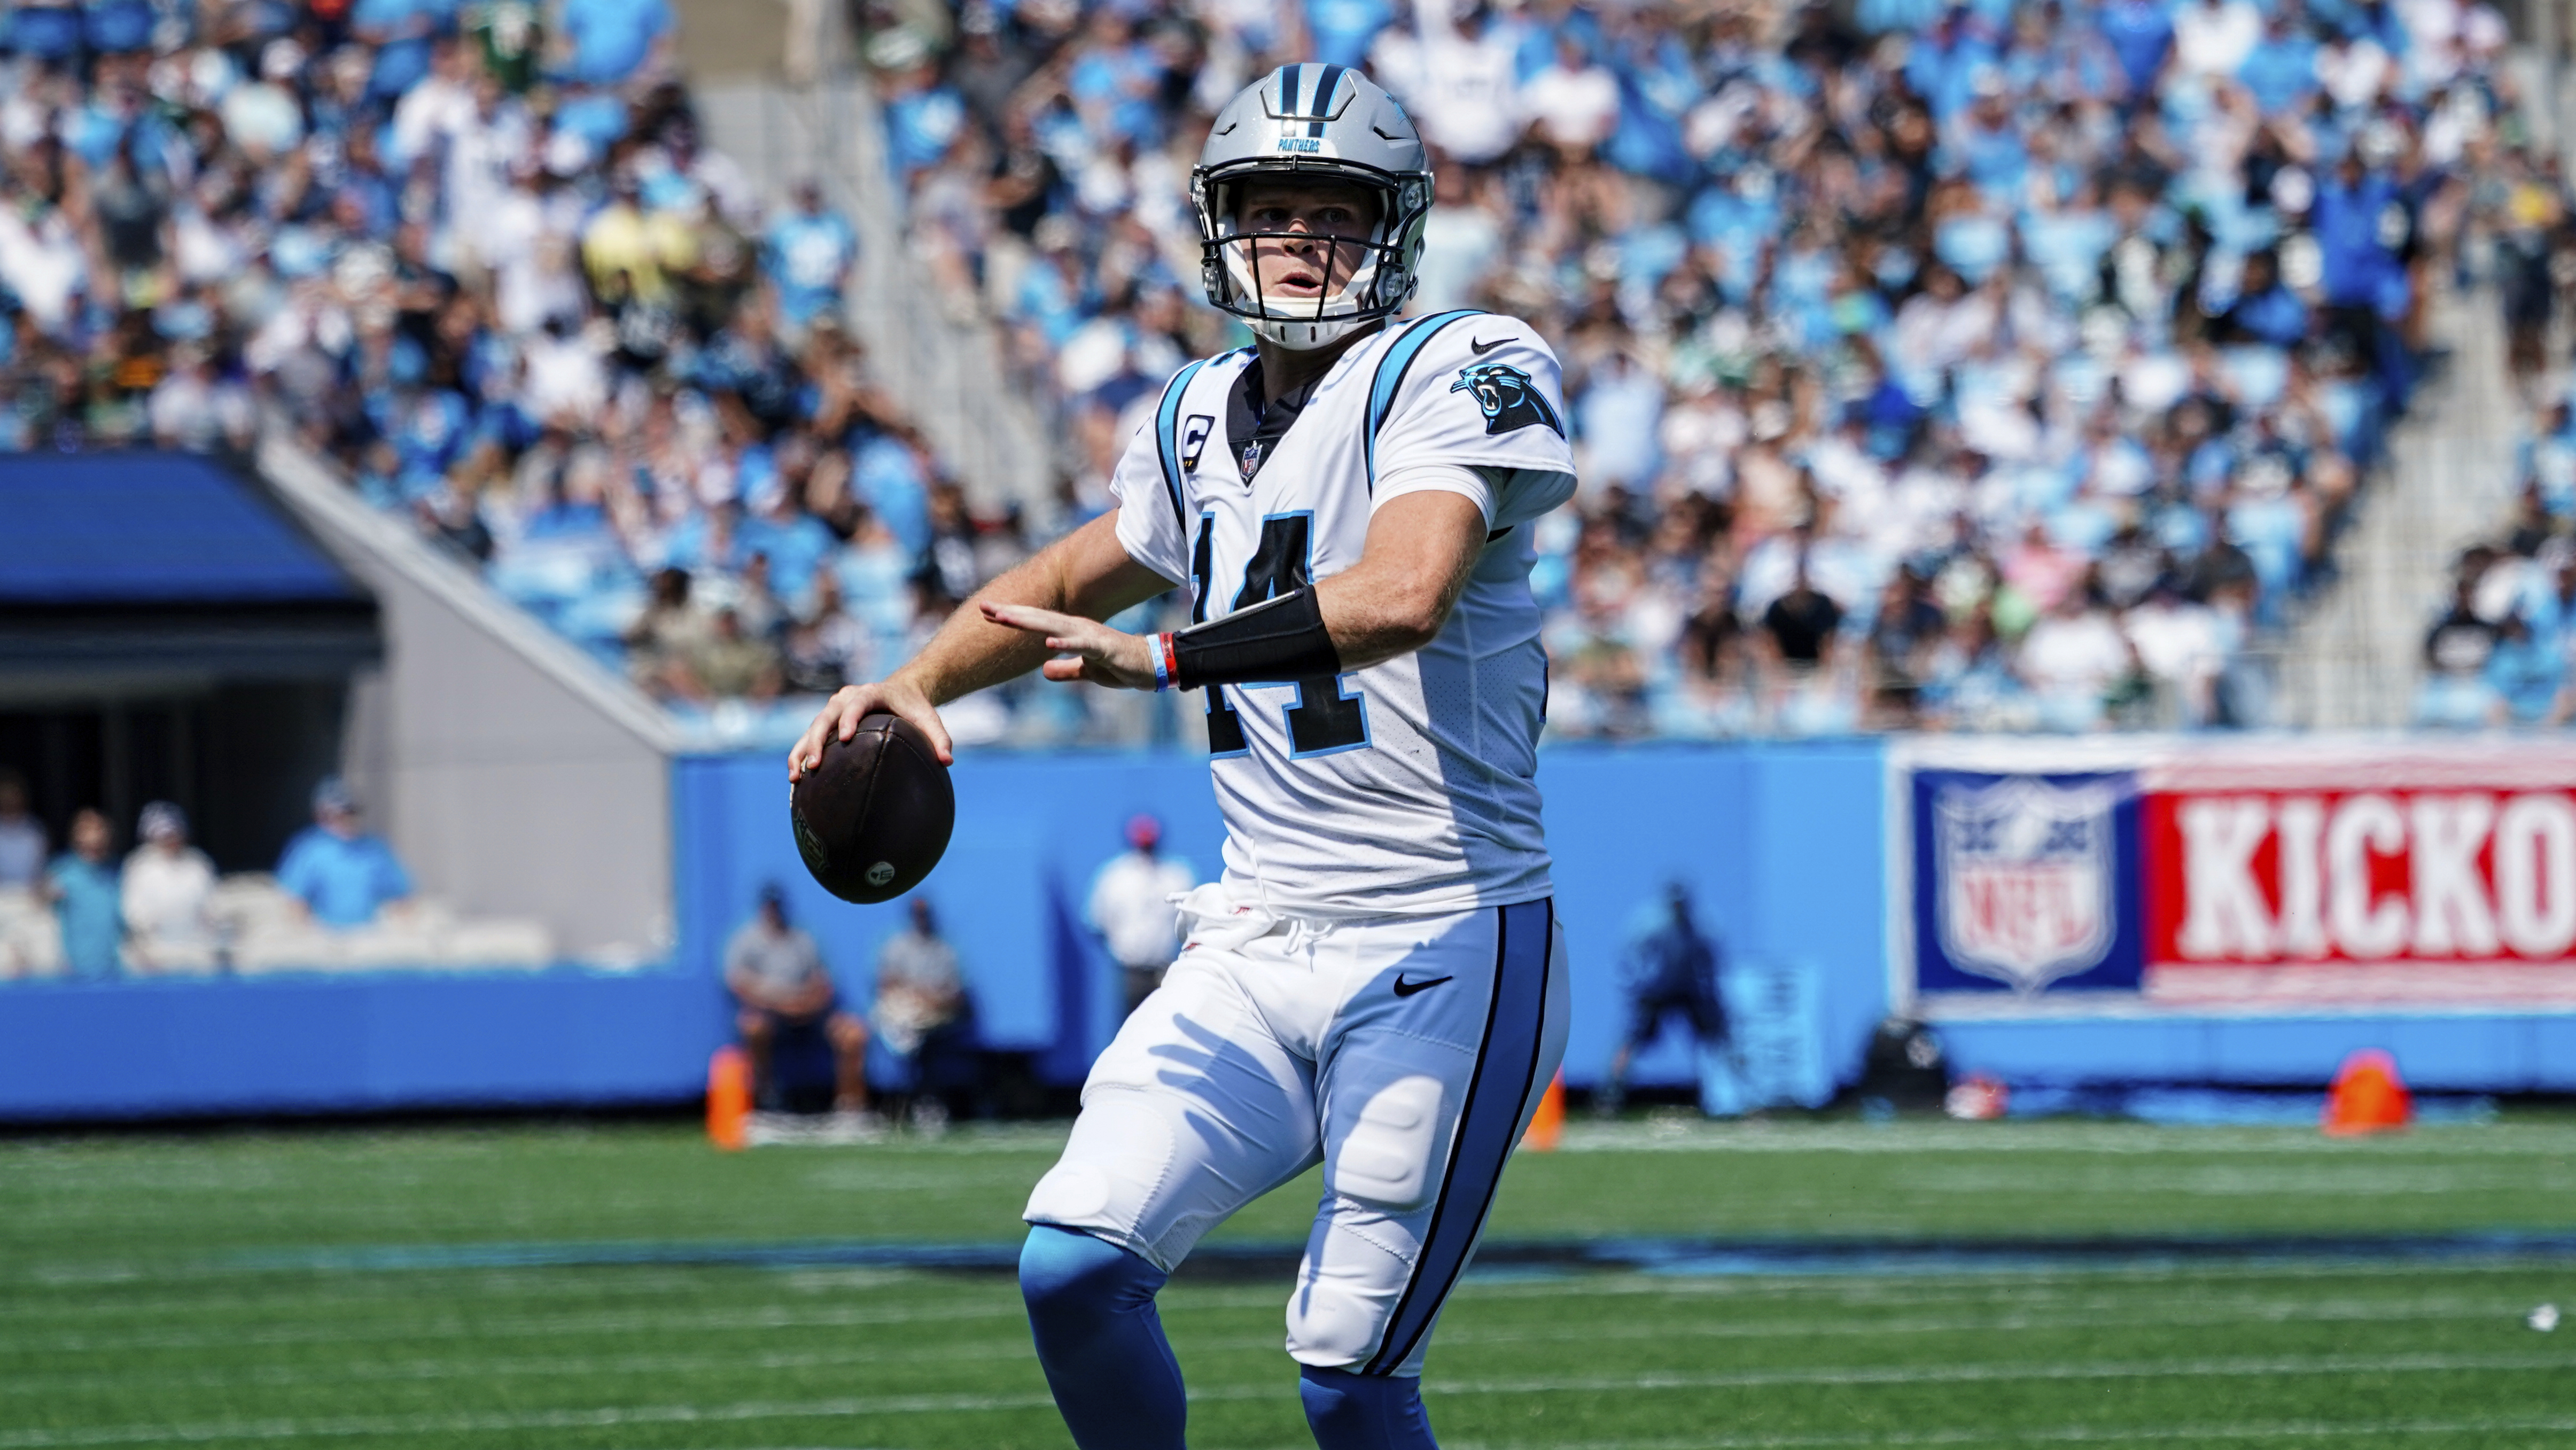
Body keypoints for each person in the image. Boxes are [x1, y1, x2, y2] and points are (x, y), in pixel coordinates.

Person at [790, 65, 1574, 1450]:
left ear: (1389, 229)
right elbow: (1076, 575)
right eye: (1268, 210)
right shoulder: (1195, 408)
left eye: (1330, 212)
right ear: (1219, 226)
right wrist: (910, 680)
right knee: (1074, 1263)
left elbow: (1403, 593)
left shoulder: (1455, 364)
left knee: (1345, 1365)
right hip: (1255, 935)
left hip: (1443, 941)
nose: (1297, 239)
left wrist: (1167, 659)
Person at [725, 882, 870, 1117]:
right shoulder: (746, 940)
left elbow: (824, 984)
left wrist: (803, 1005)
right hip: (771, 1014)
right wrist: (782, 1003)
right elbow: (739, 984)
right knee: (753, 1027)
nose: (774, 911)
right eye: (770, 906)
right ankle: (767, 1101)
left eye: (778, 906)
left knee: (853, 1033)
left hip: (810, 1014)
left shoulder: (803, 939)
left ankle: (850, 1107)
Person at [1597, 883, 1727, 1118]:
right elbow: (1627, 956)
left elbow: (1714, 961)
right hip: (1654, 991)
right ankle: (1609, 1099)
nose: (1679, 908)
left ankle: (1731, 1099)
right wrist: (1635, 986)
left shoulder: (1703, 925)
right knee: (1629, 1042)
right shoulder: (1648, 923)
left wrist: (1710, 991)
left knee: (1717, 1041)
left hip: (1690, 990)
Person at [870, 896, 977, 1131]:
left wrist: (925, 999)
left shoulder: (944, 949)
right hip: (903, 1015)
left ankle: (926, 1101)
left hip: (936, 1018)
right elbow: (887, 986)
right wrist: (917, 998)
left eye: (925, 913)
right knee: (903, 1027)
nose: (922, 918)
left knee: (927, 1036)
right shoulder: (896, 946)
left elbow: (955, 995)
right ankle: (905, 1102)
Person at [1084, 813, 1197, 1018]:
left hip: (1166, 968)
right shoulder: (1115, 876)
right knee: (1132, 1026)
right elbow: (1097, 923)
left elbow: (1192, 920)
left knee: (1168, 1025)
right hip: (1131, 971)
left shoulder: (1175, 875)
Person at [276, 779, 415, 927]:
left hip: (368, 936)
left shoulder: (375, 849)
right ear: (321, 816)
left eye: (351, 812)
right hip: (322, 936)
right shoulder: (308, 849)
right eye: (338, 814)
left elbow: (401, 897)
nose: (346, 820)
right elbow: (293, 901)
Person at [121, 801, 220, 972]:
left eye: (175, 834)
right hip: (155, 952)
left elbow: (213, 906)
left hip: (196, 950)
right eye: (165, 836)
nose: (171, 840)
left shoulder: (199, 864)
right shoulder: (138, 866)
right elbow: (133, 912)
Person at [44, 809, 122, 980]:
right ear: (77, 837)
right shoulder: (62, 873)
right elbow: (46, 919)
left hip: (115, 970)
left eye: (99, 831)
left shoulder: (118, 872)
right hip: (73, 971)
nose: (94, 838)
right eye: (87, 831)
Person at [0, 770, 44, 890]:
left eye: (13, 795)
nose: (9, 800)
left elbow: (40, 868)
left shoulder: (35, 831)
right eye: (5, 794)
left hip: (29, 896)